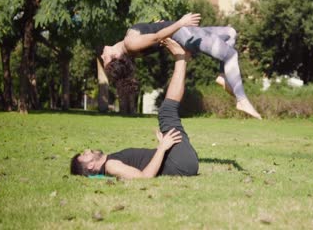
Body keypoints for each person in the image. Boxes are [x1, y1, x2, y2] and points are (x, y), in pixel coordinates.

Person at [70, 39, 198, 179]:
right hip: (180, 163)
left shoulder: (111, 161)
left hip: (178, 160)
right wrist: (162, 148)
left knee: (166, 112)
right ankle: (181, 57)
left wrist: (161, 146)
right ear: (90, 166)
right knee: (166, 111)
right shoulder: (110, 166)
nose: (88, 150)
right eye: (85, 155)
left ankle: (182, 58)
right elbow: (144, 176)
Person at [101, 13, 262, 119]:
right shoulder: (131, 43)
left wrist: (156, 24)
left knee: (230, 33)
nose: (102, 56)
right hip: (185, 35)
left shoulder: (131, 47)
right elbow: (157, 37)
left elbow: (154, 36)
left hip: (185, 34)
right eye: (105, 59)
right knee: (230, 55)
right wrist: (180, 22)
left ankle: (222, 75)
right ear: (116, 57)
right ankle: (241, 100)